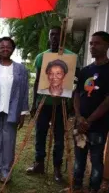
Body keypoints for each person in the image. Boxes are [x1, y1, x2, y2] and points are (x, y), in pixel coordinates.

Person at [26, 26, 78, 182]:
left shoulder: (71, 57)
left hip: (61, 103)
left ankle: (57, 167)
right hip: (44, 103)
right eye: (52, 35)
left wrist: (70, 105)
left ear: (63, 37)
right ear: (49, 37)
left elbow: (73, 82)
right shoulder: (42, 57)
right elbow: (37, 82)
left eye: (57, 35)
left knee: (59, 137)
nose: (54, 37)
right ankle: (39, 163)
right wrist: (34, 104)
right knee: (40, 134)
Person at [73, 31, 109, 193]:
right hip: (80, 124)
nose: (93, 46)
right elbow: (77, 94)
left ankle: (93, 188)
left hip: (99, 126)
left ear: (108, 45)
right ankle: (77, 186)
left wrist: (89, 121)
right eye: (91, 43)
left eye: (97, 43)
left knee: (96, 159)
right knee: (79, 156)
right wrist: (79, 117)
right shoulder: (85, 70)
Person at [0, 37, 29, 182]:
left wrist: (23, 112)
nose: (5, 49)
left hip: (12, 109)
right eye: (2, 46)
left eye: (8, 46)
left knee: (9, 140)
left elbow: (25, 92)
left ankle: (5, 170)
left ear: (13, 49)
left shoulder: (21, 69)